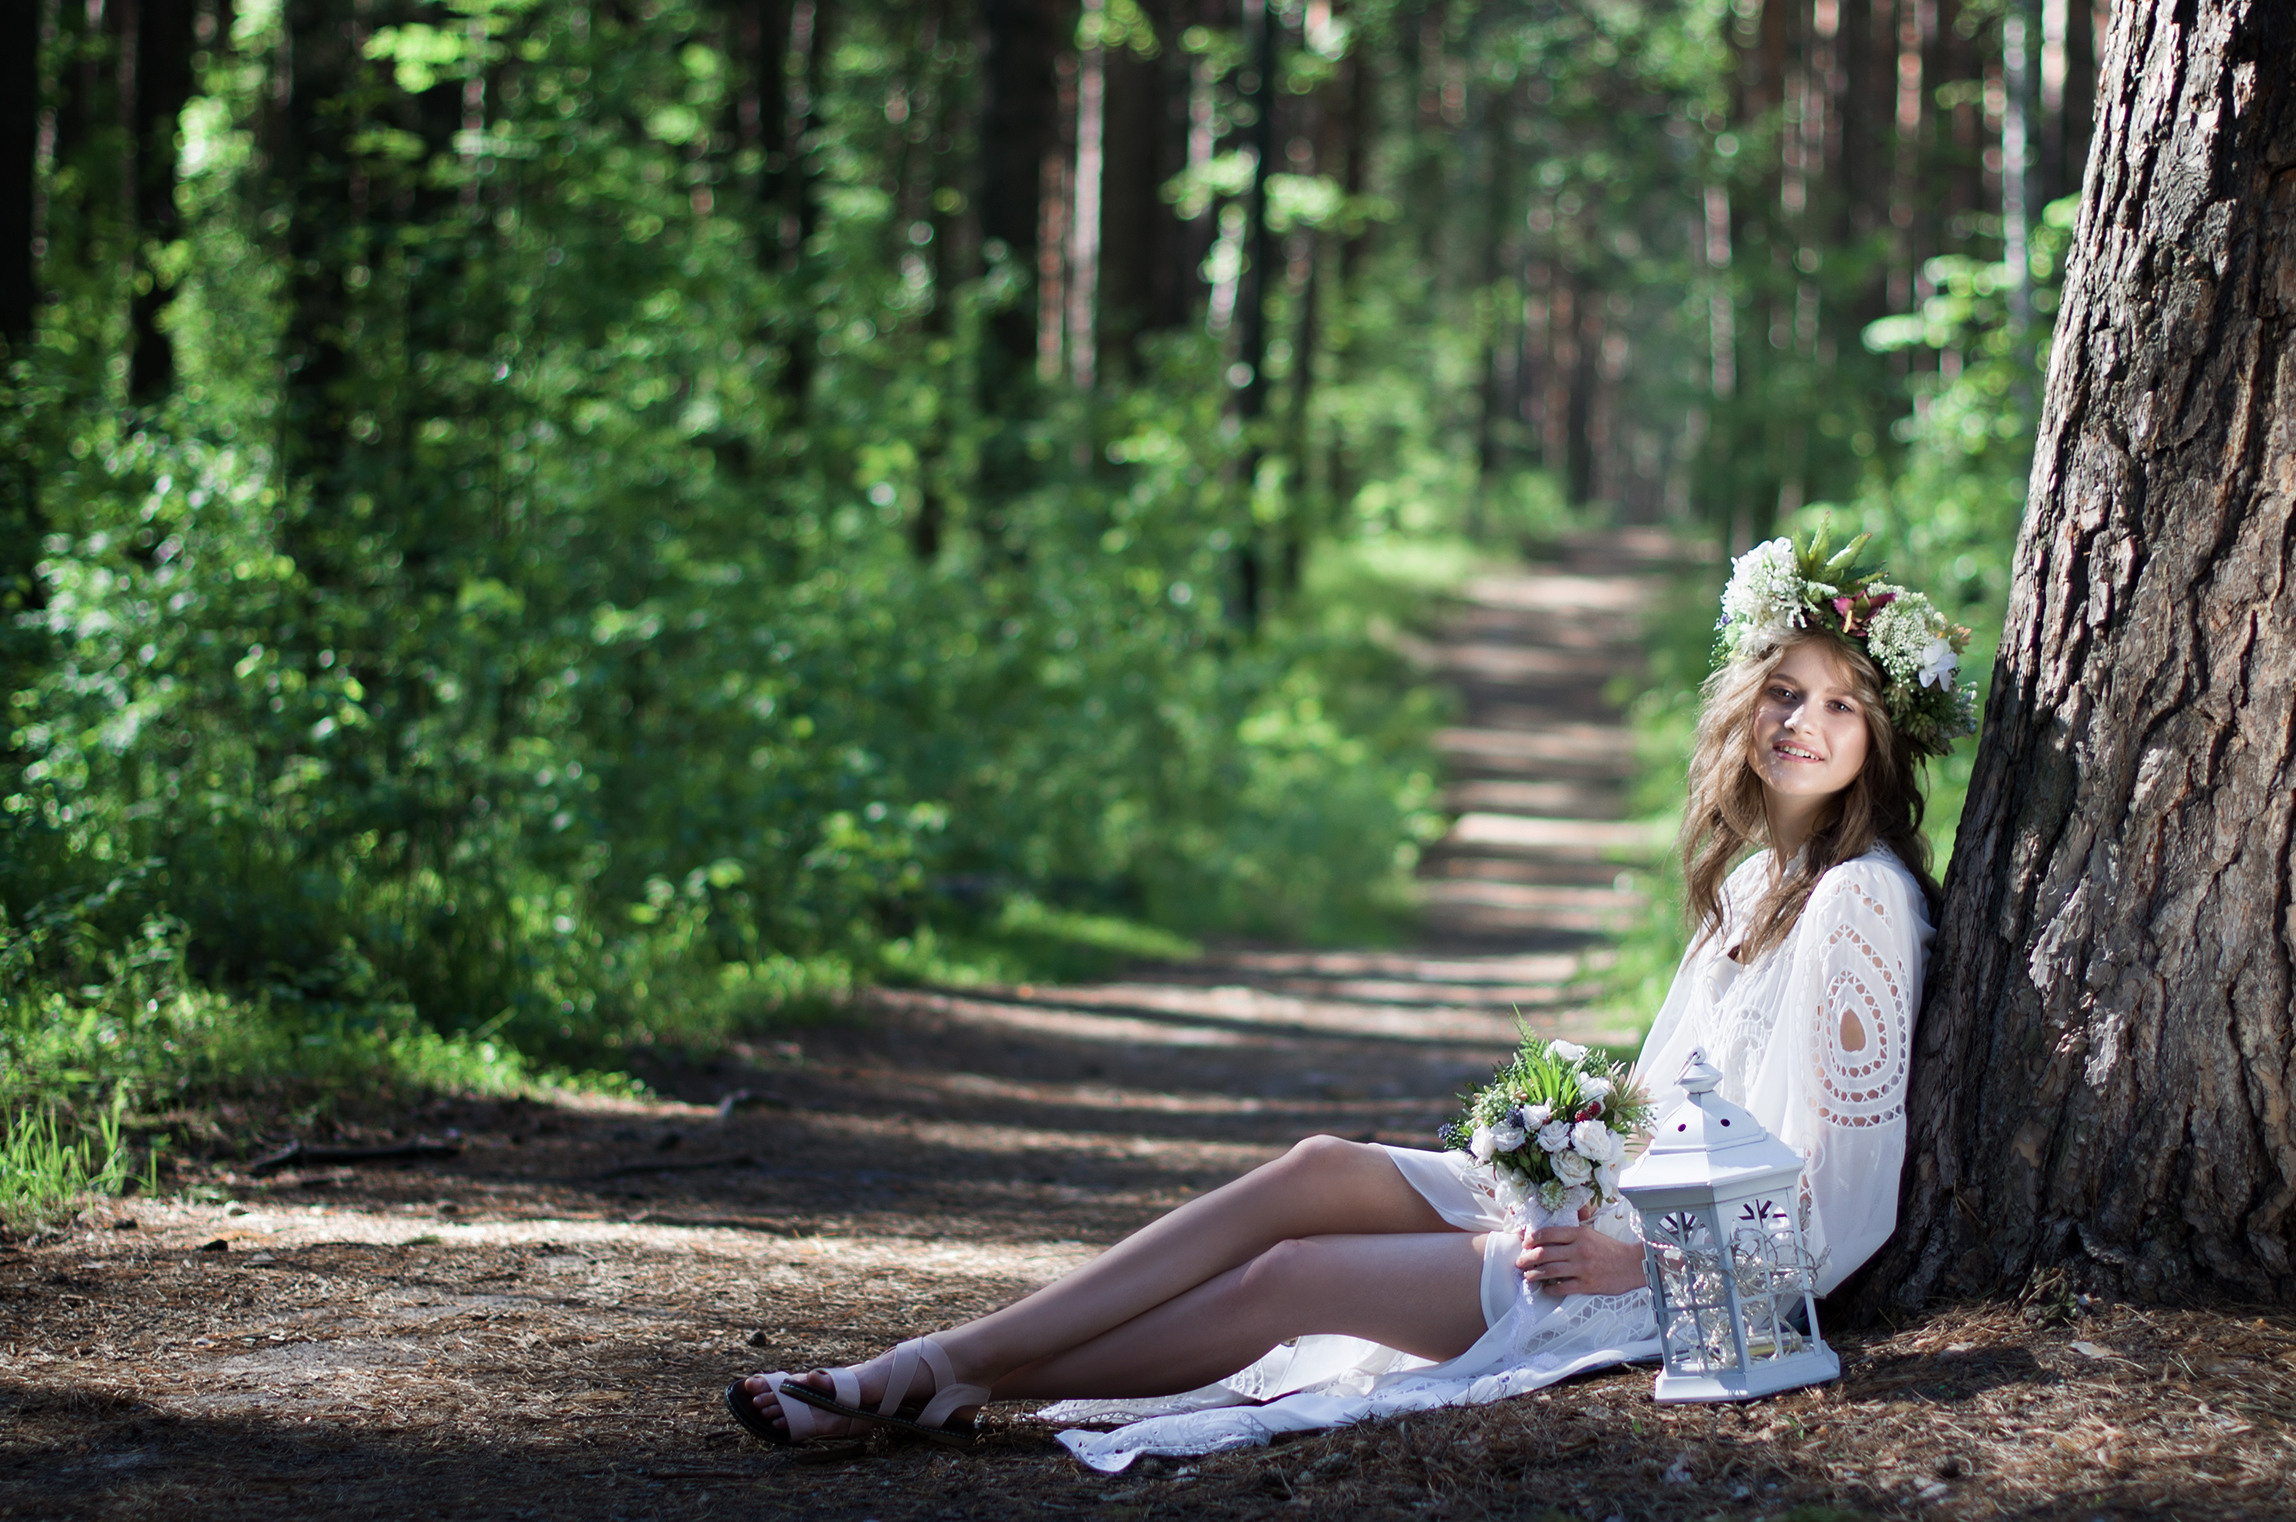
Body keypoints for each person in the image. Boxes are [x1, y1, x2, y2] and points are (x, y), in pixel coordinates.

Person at [725, 534, 1976, 1469]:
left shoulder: (1858, 904)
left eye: (1839, 704)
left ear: (1881, 738)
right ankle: (939, 1371)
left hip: (1663, 1276)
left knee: (1296, 1275)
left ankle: (926, 1374)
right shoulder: (1761, 875)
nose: (1800, 721)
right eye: (1783, 689)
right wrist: (1558, 1156)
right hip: (1612, 1213)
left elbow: (1842, 1208)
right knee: (1316, 1164)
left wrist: (1627, 1256)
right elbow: (1666, 1101)